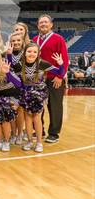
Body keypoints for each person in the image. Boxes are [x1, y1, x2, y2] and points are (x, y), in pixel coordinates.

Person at [14, 43, 64, 153]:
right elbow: (17, 82)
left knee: (37, 118)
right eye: (29, 51)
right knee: (28, 119)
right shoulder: (19, 65)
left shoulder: (43, 63)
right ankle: (29, 141)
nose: (32, 54)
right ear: (24, 52)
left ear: (39, 53)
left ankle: (39, 143)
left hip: (39, 93)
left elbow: (60, 72)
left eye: (34, 52)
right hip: (26, 93)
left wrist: (61, 64)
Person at [33, 15, 69, 143]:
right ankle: (39, 129)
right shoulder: (34, 39)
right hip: (38, 79)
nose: (43, 24)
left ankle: (54, 133)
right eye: (41, 22)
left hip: (54, 78)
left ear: (51, 25)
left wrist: (60, 76)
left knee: (54, 105)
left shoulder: (58, 39)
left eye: (46, 22)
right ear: (38, 25)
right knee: (37, 104)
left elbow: (64, 60)